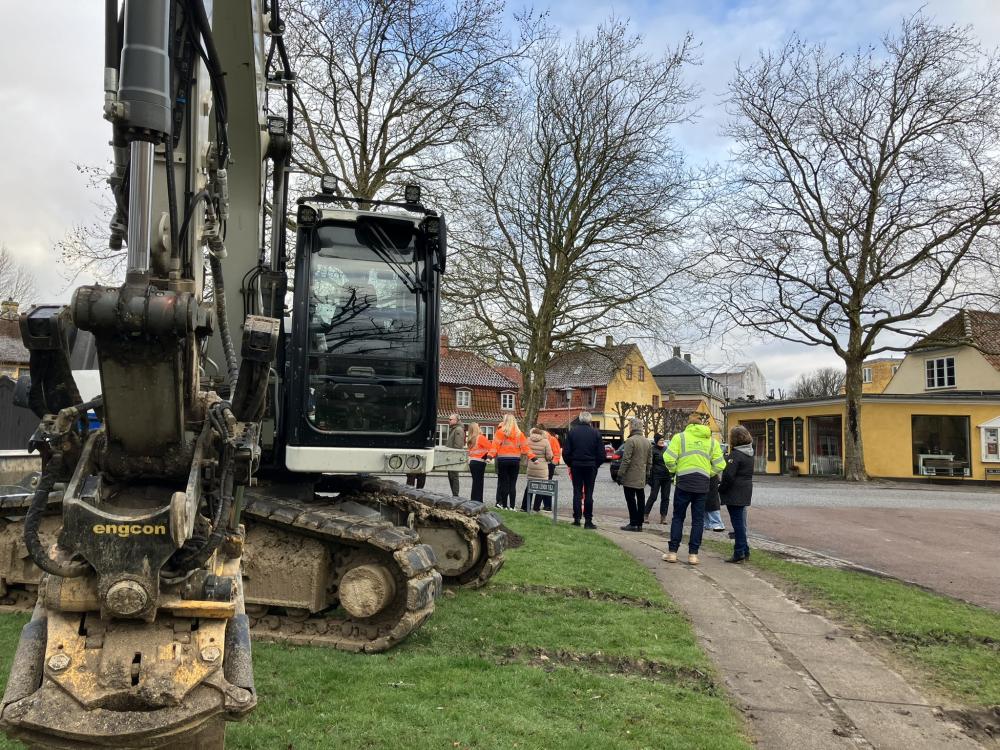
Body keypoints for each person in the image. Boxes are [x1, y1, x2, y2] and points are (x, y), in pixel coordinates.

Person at [661, 412, 726, 565]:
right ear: (702, 425)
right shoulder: (711, 441)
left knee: (678, 517)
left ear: (689, 425)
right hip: (702, 484)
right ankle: (693, 555)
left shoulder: (680, 437)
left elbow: (668, 458)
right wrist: (707, 473)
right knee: (698, 520)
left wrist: (675, 470)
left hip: (683, 482)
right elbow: (720, 464)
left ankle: (672, 553)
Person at [563, 411, 605, 529]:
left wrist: (570, 463)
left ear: (580, 420)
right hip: (590, 466)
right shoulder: (596, 433)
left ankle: (577, 518)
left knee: (577, 492)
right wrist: (595, 465)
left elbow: (566, 452)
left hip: (576, 465)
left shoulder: (572, 432)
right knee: (589, 493)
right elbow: (602, 454)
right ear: (590, 421)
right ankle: (588, 520)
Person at [720, 425, 755, 563]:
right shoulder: (749, 453)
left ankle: (739, 551)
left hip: (735, 492)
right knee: (741, 522)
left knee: (738, 524)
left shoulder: (735, 455)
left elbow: (728, 476)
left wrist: (720, 489)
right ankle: (745, 550)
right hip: (745, 490)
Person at [488, 414, 535, 509]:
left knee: (504, 483)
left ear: (505, 421)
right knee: (512, 484)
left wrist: (490, 456)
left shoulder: (500, 432)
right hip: (515, 460)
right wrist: (533, 458)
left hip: (503, 460)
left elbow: (494, 446)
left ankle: (505, 506)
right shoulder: (519, 433)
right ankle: (513, 507)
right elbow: (525, 447)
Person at [616, 417, 652, 531]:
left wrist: (620, 474)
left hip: (630, 476)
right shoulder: (647, 442)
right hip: (641, 476)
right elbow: (649, 461)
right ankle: (640, 524)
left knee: (631, 499)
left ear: (632, 427)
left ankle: (633, 522)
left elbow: (626, 460)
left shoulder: (631, 441)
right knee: (641, 499)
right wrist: (647, 475)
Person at [520, 427, 554, 511]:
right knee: (540, 487)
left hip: (531, 464)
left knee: (529, 486)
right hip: (542, 466)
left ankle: (525, 507)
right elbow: (549, 456)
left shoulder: (528, 440)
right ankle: (536, 507)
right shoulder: (545, 441)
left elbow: (524, 451)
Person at [644, 433, 671, 524]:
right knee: (653, 496)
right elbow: (649, 464)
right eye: (660, 440)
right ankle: (645, 514)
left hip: (667, 476)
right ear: (656, 441)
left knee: (666, 497)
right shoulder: (652, 450)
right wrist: (649, 477)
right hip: (656, 476)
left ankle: (663, 517)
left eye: (663, 440)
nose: (662, 442)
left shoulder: (666, 449)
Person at [467, 422, 491, 504]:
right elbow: (490, 447)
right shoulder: (480, 437)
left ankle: (474, 499)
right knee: (479, 482)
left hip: (472, 462)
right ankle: (478, 500)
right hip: (480, 462)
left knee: (475, 482)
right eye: (478, 426)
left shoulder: (470, 439)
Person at [445, 414, 466, 497]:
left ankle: (455, 495)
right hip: (451, 456)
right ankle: (454, 494)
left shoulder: (458, 430)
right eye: (449, 419)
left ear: (456, 420)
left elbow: (458, 445)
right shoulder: (454, 429)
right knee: (451, 476)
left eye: (451, 419)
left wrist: (454, 456)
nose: (449, 421)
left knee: (454, 476)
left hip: (454, 456)